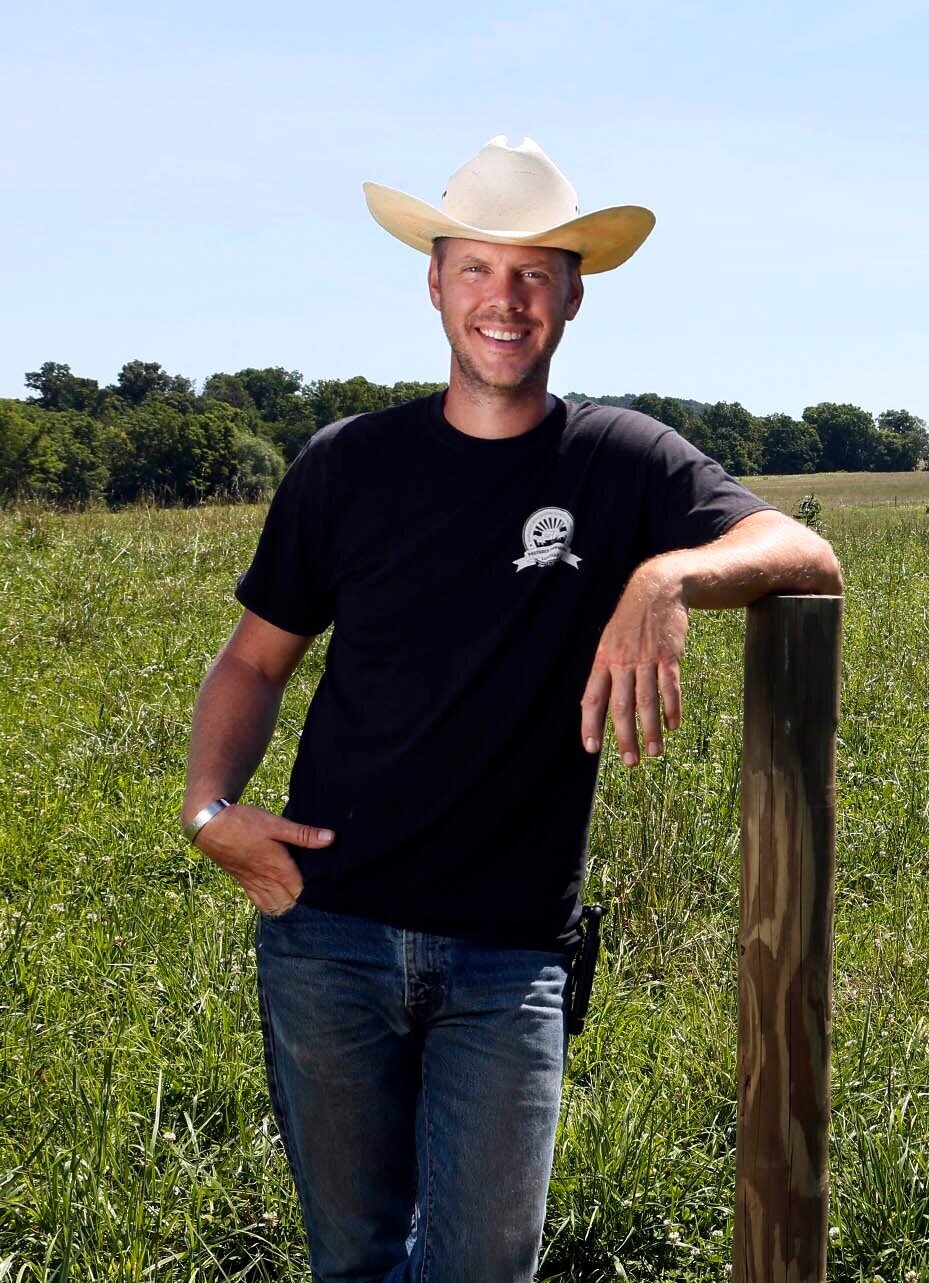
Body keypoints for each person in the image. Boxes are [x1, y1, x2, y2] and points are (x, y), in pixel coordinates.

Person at [182, 135, 842, 1282]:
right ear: (434, 282)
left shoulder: (622, 460)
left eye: (535, 273)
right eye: (479, 269)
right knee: (353, 1261)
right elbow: (251, 661)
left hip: (509, 956)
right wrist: (208, 812)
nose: (506, 299)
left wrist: (664, 576)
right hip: (326, 925)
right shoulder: (347, 465)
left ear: (575, 295)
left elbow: (807, 552)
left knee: (486, 1267)